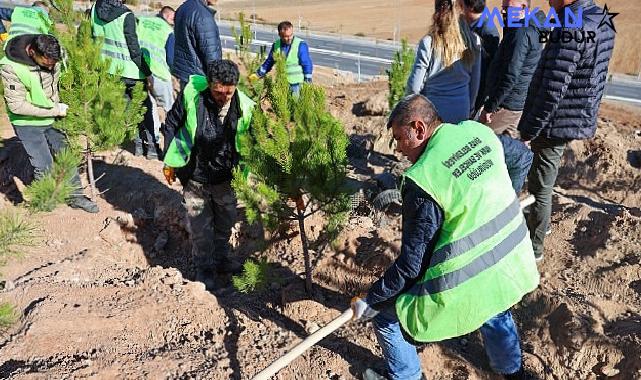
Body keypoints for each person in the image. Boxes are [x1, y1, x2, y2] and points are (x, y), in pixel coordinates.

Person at [351, 95, 539, 380]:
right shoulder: (476, 133)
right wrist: (502, 198)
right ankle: (514, 373)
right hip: (511, 260)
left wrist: (373, 300)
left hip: (465, 282)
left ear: (418, 128)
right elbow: (523, 156)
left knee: (389, 317)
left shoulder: (424, 178)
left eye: (400, 139)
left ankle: (405, 377)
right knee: (494, 305)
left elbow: (411, 266)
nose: (400, 149)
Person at [518, 0, 615, 261]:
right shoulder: (600, 18)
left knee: (540, 186)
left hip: (553, 121)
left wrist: (529, 128)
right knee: (544, 179)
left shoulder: (572, 24)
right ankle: (542, 225)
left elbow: (553, 87)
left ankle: (534, 248)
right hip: (573, 115)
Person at [162, 60, 255, 290]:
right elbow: (171, 124)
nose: (223, 97)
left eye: (228, 92)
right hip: (196, 175)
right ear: (210, 85)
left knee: (225, 221)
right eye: (217, 92)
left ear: (235, 87)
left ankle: (222, 259)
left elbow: (254, 141)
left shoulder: (246, 107)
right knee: (200, 226)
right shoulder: (193, 96)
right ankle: (204, 268)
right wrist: (169, 159)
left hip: (226, 177)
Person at [0, 34, 98, 213]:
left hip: (53, 116)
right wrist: (55, 110)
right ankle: (44, 200)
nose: (52, 66)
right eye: (47, 63)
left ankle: (76, 196)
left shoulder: (54, 53)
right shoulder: (11, 67)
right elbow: (17, 106)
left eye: (54, 62)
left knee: (66, 156)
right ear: (31, 52)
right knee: (44, 164)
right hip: (26, 121)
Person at [90, 0, 158, 159]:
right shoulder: (126, 15)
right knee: (143, 110)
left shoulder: (95, 9)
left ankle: (137, 148)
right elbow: (134, 51)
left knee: (127, 111)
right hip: (131, 72)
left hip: (108, 70)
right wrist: (147, 72)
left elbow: (92, 38)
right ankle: (152, 149)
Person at [405, 0, 481, 124]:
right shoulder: (474, 42)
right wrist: (470, 109)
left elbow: (414, 87)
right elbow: (474, 84)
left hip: (433, 114)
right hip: (461, 111)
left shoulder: (429, 43)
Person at [479, 0, 547, 137]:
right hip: (516, 104)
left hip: (505, 105)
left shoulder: (521, 34)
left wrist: (490, 107)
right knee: (507, 151)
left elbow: (510, 75)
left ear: (523, 7)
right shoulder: (528, 27)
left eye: (508, 8)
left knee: (479, 141)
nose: (503, 11)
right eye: (502, 7)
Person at [138, 6, 176, 147]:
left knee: (149, 107)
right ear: (166, 16)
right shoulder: (167, 31)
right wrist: (173, 72)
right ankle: (170, 144)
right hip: (159, 74)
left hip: (140, 71)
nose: (173, 22)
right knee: (169, 109)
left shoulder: (142, 21)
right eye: (172, 19)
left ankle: (149, 143)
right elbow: (171, 59)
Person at [250, 21, 313, 95]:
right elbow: (268, 63)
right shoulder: (276, 45)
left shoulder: (300, 45)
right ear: (279, 35)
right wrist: (256, 76)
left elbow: (307, 64)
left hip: (297, 84)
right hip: (281, 83)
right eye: (285, 36)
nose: (289, 38)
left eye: (290, 35)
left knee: (295, 105)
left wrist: (308, 81)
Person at [460, 0, 499, 114]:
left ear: (470, 7)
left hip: (475, 93)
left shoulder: (487, 32)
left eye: (461, 4)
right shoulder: (466, 23)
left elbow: (486, 69)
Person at [172, 0, 222, 89]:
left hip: (185, 74)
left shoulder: (183, 8)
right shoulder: (203, 16)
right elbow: (212, 56)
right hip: (199, 79)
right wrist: (218, 81)